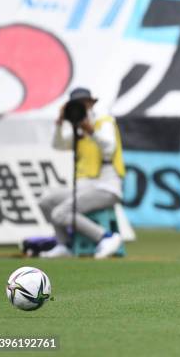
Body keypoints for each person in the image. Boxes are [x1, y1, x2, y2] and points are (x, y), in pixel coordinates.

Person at [39, 88, 125, 259]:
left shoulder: (103, 121)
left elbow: (109, 147)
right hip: (85, 187)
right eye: (76, 105)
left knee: (60, 213)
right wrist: (60, 123)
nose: (81, 107)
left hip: (107, 187)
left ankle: (106, 237)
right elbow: (58, 145)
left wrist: (90, 130)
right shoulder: (78, 130)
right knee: (46, 201)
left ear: (92, 103)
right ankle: (65, 245)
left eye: (84, 103)